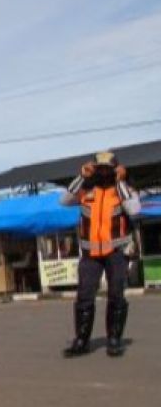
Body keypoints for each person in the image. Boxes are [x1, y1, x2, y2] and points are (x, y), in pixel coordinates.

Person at [60, 151, 141, 358]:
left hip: (116, 252)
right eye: (100, 168)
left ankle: (114, 339)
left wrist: (120, 182)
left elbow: (134, 210)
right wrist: (82, 176)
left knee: (116, 294)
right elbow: (65, 200)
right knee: (84, 296)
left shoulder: (125, 190)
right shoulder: (86, 190)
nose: (104, 172)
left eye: (108, 168)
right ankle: (82, 341)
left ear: (116, 169)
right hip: (90, 254)